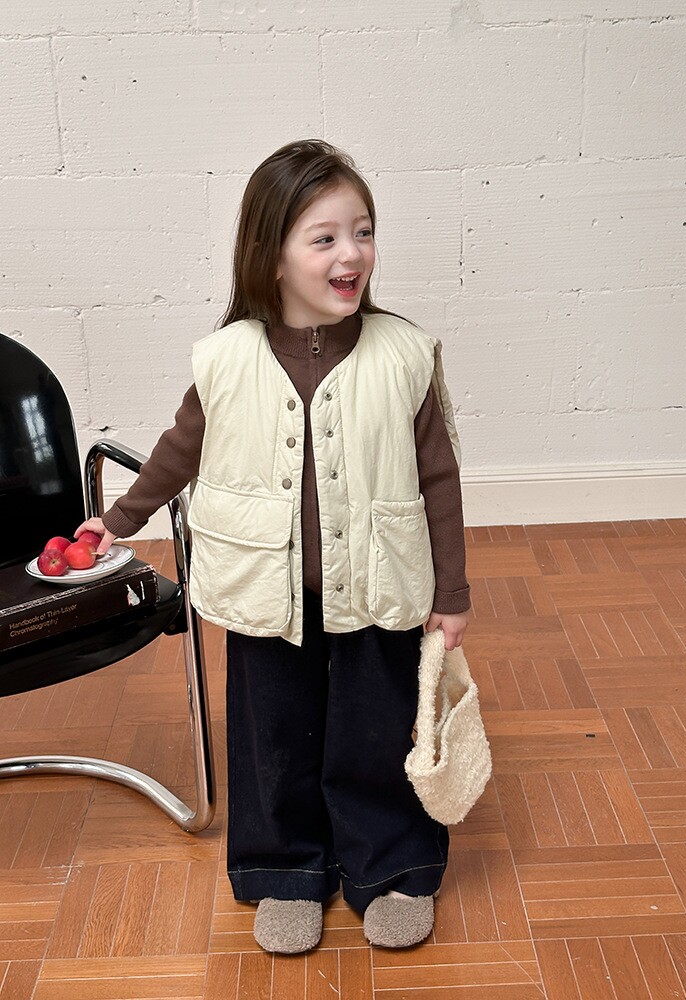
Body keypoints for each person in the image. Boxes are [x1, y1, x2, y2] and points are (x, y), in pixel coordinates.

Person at [75, 139, 471, 954]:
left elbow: (440, 477)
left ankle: (390, 866)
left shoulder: (405, 354)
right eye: (324, 238)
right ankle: (286, 871)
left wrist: (452, 593)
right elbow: (178, 453)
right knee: (274, 736)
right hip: (266, 587)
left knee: (376, 729)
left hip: (381, 584)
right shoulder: (226, 359)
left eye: (363, 232)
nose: (351, 253)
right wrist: (116, 521)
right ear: (272, 253)